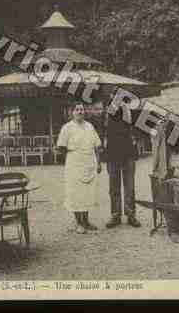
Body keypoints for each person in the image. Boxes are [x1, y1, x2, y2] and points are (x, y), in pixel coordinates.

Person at [56, 102, 102, 234]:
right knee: (75, 193)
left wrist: (98, 163)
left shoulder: (90, 126)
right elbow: (60, 147)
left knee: (87, 193)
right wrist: (70, 156)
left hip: (89, 163)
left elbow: (97, 146)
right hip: (74, 164)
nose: (80, 112)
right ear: (72, 112)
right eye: (77, 109)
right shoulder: (67, 128)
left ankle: (86, 221)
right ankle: (79, 223)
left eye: (82, 109)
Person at [104, 94, 141, 228]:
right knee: (114, 186)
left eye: (119, 97)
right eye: (114, 98)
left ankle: (131, 214)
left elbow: (135, 125)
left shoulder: (129, 110)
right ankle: (115, 215)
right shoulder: (109, 111)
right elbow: (105, 127)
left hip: (128, 152)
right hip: (112, 153)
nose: (117, 100)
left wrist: (126, 108)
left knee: (129, 186)